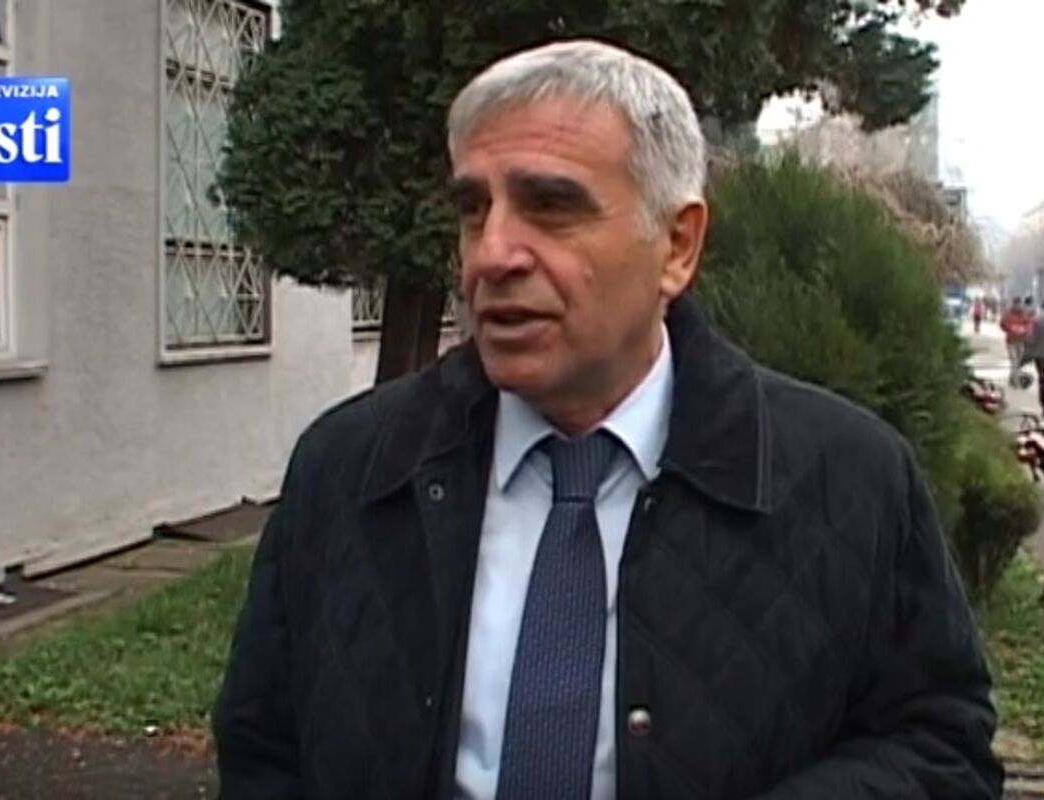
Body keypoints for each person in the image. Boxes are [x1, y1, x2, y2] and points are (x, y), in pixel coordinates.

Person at [213, 40, 1002, 799]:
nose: (491, 255)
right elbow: (264, 751)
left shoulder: (849, 480)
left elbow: (941, 749)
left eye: (551, 206)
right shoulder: (348, 469)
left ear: (677, 247)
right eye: (473, 209)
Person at [999, 297, 1031, 388]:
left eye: (1019, 304)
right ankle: (1016, 382)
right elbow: (1002, 324)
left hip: (1020, 340)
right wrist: (1011, 329)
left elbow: (1028, 323)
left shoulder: (1023, 313)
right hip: (1012, 341)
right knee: (1014, 361)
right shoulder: (1008, 313)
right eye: (1016, 304)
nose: (1018, 306)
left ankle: (1011, 379)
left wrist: (1023, 330)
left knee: (1017, 362)